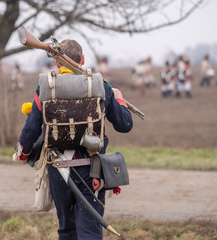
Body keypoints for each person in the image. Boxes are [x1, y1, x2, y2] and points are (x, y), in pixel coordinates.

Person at [14, 39, 133, 240]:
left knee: (67, 231)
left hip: (59, 171)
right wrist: (118, 98)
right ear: (83, 59)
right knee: (90, 231)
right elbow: (125, 124)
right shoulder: (100, 84)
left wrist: (23, 152)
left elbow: (31, 128)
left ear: (58, 63)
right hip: (92, 171)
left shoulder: (45, 86)